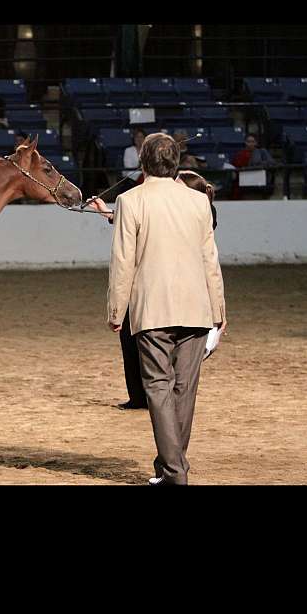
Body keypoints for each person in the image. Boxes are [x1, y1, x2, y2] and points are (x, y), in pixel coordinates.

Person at [90, 133, 226, 486]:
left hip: (152, 310)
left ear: (143, 161)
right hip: (196, 307)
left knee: (159, 389)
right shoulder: (198, 202)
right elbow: (210, 259)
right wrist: (218, 309)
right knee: (183, 390)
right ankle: (173, 466)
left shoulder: (130, 201)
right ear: (176, 162)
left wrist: (115, 310)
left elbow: (123, 262)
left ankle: (173, 471)